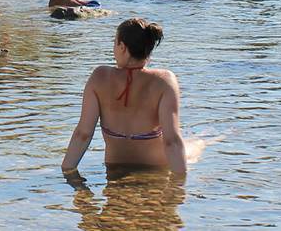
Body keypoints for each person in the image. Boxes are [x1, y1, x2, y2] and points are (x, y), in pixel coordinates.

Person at [61, 17, 187, 176]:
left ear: (122, 47)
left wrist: (67, 171)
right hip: (155, 172)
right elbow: (172, 141)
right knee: (195, 146)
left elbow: (83, 134)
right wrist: (180, 186)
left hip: (115, 170)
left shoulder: (99, 77)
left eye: (114, 43)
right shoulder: (164, 81)